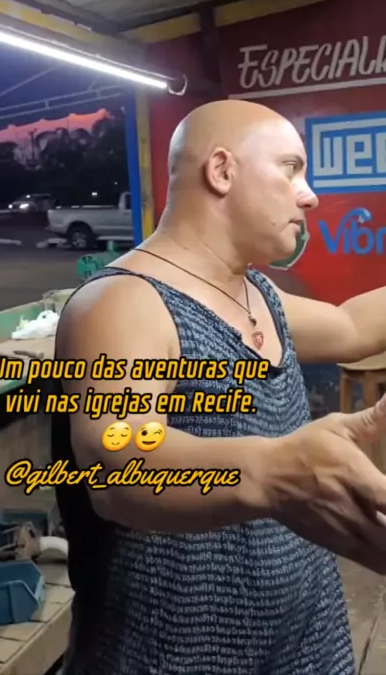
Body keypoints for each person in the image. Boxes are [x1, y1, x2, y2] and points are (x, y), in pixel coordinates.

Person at [52, 99, 386, 675]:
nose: (309, 196)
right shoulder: (123, 301)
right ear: (222, 170)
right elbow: (118, 464)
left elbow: (351, 327)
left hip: (306, 635)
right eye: (291, 168)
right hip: (177, 652)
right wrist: (274, 470)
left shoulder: (257, 293)